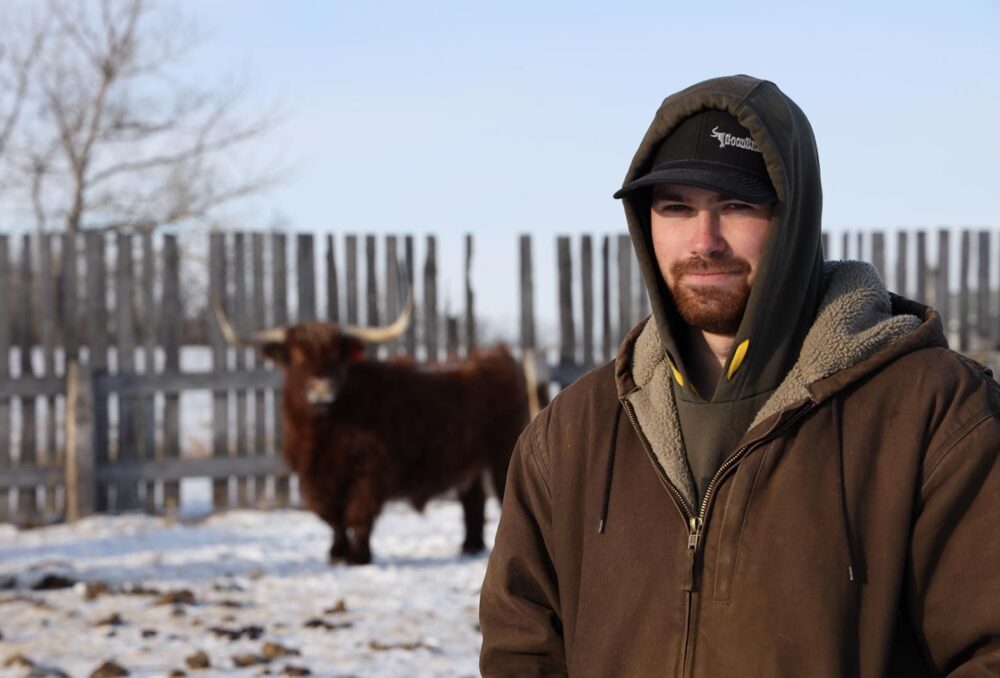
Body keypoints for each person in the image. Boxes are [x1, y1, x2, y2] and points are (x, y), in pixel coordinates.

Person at [479, 74, 1000, 676]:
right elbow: (522, 650)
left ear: (794, 219)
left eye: (737, 205)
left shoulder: (935, 414)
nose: (705, 241)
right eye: (675, 207)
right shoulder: (571, 435)